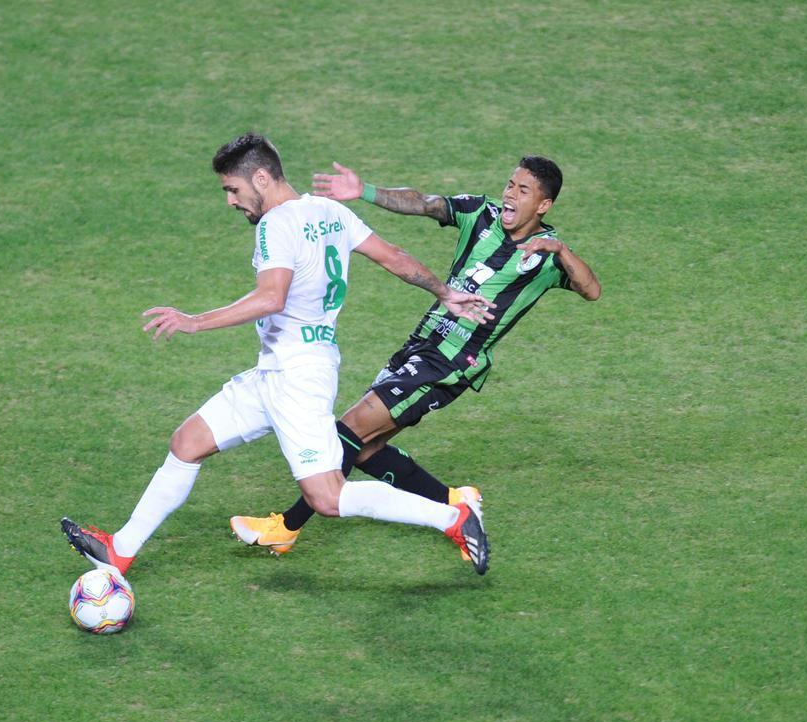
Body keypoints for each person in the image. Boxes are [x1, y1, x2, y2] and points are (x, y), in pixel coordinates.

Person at [61, 133, 496, 576]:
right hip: (278, 370)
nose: (231, 201)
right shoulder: (330, 211)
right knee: (187, 443)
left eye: (233, 189)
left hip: (298, 376)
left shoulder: (277, 223)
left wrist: (195, 320)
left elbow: (272, 297)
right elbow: (394, 257)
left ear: (263, 178)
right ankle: (121, 549)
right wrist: (444, 292)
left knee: (327, 497)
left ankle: (453, 517)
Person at [230, 156, 600, 560]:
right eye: (511, 184)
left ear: (543, 206)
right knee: (367, 450)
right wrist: (365, 191)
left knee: (349, 429)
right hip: (421, 344)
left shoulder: (547, 256)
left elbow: (591, 289)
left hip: (449, 364)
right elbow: (424, 203)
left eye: (523, 190)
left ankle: (286, 527)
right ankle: (456, 503)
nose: (510, 193)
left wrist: (561, 250)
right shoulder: (482, 213)